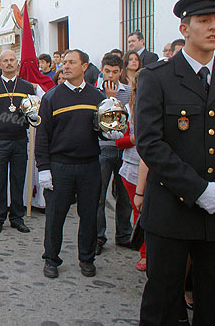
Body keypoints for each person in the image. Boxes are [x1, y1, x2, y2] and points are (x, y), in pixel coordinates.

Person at [135, 0, 215, 326]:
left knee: (214, 303)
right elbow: (150, 143)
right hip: (172, 210)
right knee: (163, 304)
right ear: (185, 28)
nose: (213, 27)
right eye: (203, 20)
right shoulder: (158, 77)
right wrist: (198, 189)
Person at [35, 49, 124, 279]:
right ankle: (51, 259)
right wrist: (43, 168)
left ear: (84, 66)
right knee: (56, 216)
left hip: (89, 166)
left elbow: (102, 130)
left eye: (71, 62)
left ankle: (86, 258)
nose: (65, 66)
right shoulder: (51, 97)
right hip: (60, 166)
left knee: (89, 215)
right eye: (64, 62)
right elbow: (42, 135)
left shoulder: (97, 98)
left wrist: (111, 134)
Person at [0, 49, 40, 235]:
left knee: (18, 180)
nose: (9, 63)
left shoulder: (27, 87)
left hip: (20, 140)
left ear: (17, 63)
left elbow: (32, 114)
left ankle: (17, 218)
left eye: (12, 60)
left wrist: (34, 117)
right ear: (0, 64)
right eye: (5, 61)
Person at [95, 53, 134, 254]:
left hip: (124, 148)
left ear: (121, 72)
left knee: (124, 196)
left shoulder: (128, 92)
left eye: (115, 72)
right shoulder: (94, 93)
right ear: (102, 70)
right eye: (107, 71)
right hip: (102, 148)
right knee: (99, 195)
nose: (111, 75)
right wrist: (109, 99)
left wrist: (115, 99)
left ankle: (124, 234)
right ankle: (99, 236)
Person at [117, 69, 147, 271]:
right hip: (133, 168)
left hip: (158, 169)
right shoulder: (128, 109)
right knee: (139, 212)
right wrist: (137, 139)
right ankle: (144, 254)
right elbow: (119, 141)